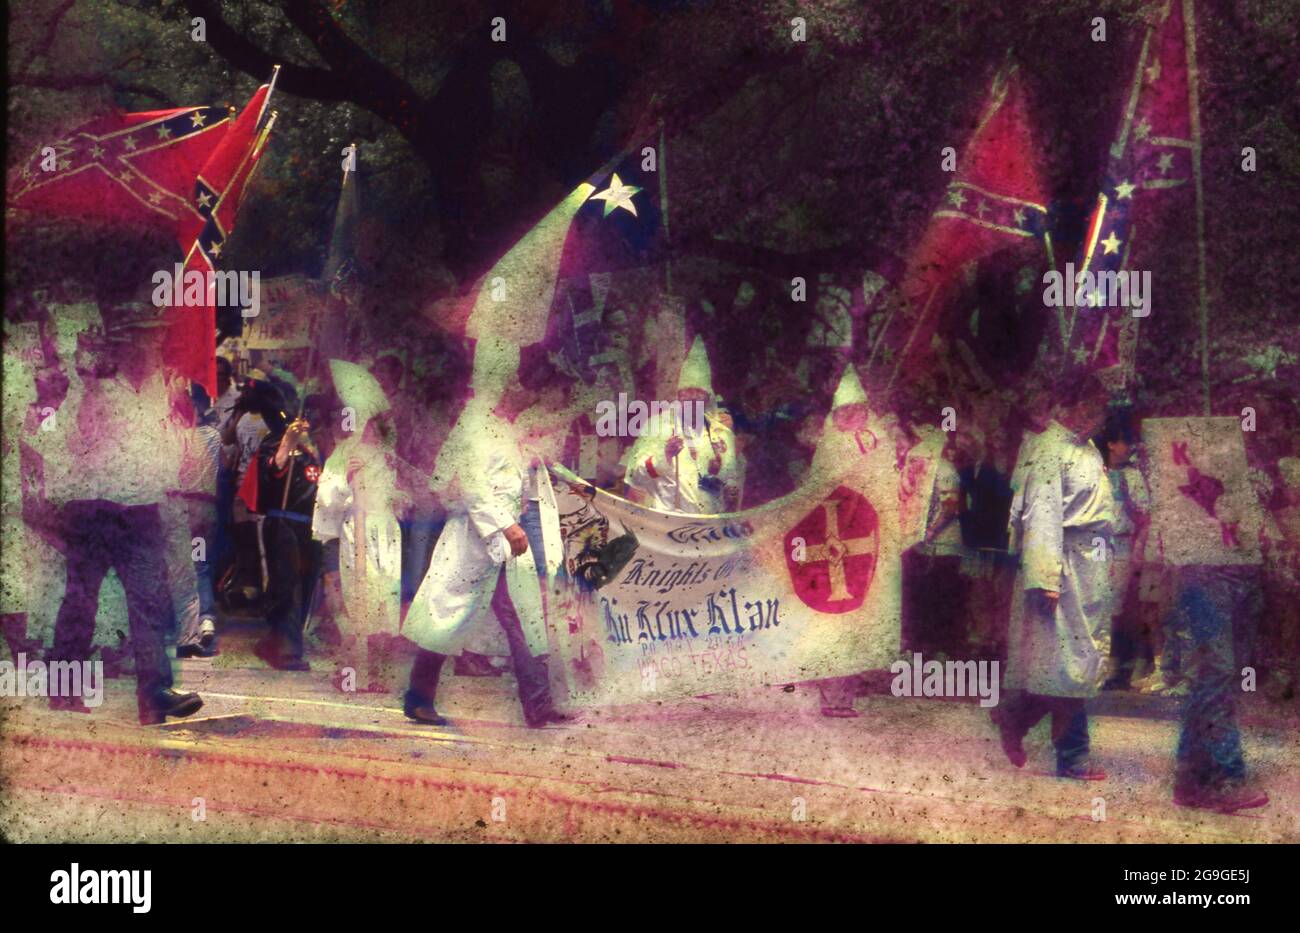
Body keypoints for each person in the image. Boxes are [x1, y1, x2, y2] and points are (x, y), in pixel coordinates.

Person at [27, 307, 202, 724]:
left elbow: (160, 446)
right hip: (93, 509)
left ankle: (154, 693)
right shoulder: (93, 387)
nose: (154, 346)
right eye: (146, 338)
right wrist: (88, 395)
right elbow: (71, 442)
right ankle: (63, 686)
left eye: (158, 338)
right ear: (125, 344)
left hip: (142, 509)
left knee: (147, 601)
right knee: (81, 601)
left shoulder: (160, 389)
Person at [401, 338, 569, 728]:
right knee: (447, 616)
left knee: (524, 617)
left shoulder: (501, 425)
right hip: (474, 541)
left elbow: (508, 479)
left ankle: (539, 706)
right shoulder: (475, 424)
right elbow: (472, 485)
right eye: (511, 381)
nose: (518, 389)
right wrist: (507, 525)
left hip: (503, 542)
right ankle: (418, 697)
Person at [991, 370, 1113, 780]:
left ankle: (1016, 716)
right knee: (1064, 664)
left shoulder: (1089, 449)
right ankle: (1071, 755)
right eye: (1094, 407)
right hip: (1062, 566)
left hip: (1089, 565)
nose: (1100, 416)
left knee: (1075, 663)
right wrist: (1045, 577)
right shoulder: (1048, 449)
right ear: (1075, 406)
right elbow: (1041, 515)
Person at [312, 360, 405, 691]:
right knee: (357, 603)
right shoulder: (344, 453)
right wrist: (347, 481)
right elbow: (326, 498)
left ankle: (378, 676)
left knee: (384, 603)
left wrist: (398, 498)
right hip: (357, 536)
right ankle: (350, 674)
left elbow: (398, 495)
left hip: (386, 536)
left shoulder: (388, 456)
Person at [236, 379, 321, 671]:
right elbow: (272, 470)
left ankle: (276, 643)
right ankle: (286, 651)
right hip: (282, 522)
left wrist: (308, 446)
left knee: (305, 586)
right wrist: (287, 443)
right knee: (285, 586)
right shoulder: (274, 441)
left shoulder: (315, 449)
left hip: (310, 525)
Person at [623, 336, 743, 513]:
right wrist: (664, 457)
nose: (693, 397)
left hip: (708, 526)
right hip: (667, 524)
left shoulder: (721, 434)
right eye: (688, 392)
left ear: (707, 398)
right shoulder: (658, 426)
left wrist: (730, 486)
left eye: (699, 392)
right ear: (679, 396)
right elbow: (636, 477)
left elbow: (731, 477)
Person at [1092, 409, 1152, 690]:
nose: (1128, 447)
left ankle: (1115, 663)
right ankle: (1096, 663)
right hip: (1098, 543)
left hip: (1123, 543)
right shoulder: (1095, 470)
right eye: (1124, 442)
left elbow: (1144, 514)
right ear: (1111, 444)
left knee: (1116, 606)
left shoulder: (1134, 476)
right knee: (1095, 601)